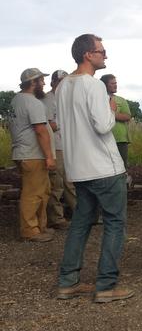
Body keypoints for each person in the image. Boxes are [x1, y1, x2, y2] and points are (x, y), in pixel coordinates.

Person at [56, 33, 133, 303]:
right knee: (114, 223)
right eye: (101, 51)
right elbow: (103, 125)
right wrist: (111, 109)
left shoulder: (63, 85)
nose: (105, 55)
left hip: (78, 167)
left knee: (80, 223)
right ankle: (106, 285)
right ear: (88, 54)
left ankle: (68, 281)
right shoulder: (94, 86)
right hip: (104, 167)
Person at [8, 68, 57, 242]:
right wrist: (49, 156)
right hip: (32, 154)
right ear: (32, 82)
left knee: (42, 191)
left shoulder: (16, 100)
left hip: (25, 153)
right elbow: (40, 130)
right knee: (33, 193)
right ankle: (30, 230)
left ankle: (39, 227)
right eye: (41, 80)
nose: (43, 83)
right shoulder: (32, 103)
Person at [43, 70, 76, 225]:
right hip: (56, 146)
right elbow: (50, 125)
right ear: (54, 82)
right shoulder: (48, 100)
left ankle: (78, 212)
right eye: (61, 81)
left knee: (70, 181)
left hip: (67, 145)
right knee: (57, 183)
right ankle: (56, 218)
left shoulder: (64, 99)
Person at [100, 74, 132, 179]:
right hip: (102, 138)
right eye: (112, 83)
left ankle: (123, 186)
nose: (115, 86)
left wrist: (111, 114)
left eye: (116, 83)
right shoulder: (98, 99)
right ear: (104, 85)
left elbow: (127, 116)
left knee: (122, 165)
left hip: (120, 139)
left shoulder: (121, 100)